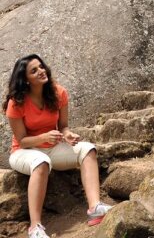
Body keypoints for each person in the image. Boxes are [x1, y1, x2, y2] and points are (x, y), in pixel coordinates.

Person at [3, 55, 112, 238]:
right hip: (24, 152)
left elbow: (63, 126)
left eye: (41, 67)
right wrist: (43, 137)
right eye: (34, 70)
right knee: (41, 161)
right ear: (25, 79)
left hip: (52, 149)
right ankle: (35, 227)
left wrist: (68, 135)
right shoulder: (16, 102)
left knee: (88, 149)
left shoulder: (58, 92)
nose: (41, 71)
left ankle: (95, 207)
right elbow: (21, 140)